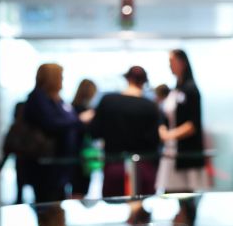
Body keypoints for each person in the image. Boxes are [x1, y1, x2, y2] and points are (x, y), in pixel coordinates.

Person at [89, 66, 161, 197]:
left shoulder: (108, 101)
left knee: (114, 209)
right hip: (143, 168)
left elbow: (95, 132)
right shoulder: (150, 106)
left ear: (127, 79)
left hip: (114, 166)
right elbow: (155, 140)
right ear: (144, 82)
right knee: (141, 211)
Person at [23, 63, 82, 203]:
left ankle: (56, 225)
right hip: (46, 163)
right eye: (60, 77)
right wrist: (79, 120)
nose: (62, 80)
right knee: (48, 203)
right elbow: (51, 124)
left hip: (59, 162)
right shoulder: (38, 98)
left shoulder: (56, 99)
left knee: (58, 202)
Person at [156, 49, 206, 192]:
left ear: (182, 63)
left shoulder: (191, 90)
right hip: (171, 150)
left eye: (172, 62)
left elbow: (193, 124)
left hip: (186, 152)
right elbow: (165, 118)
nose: (170, 66)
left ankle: (186, 214)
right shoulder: (175, 90)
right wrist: (163, 130)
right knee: (171, 191)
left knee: (186, 193)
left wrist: (170, 135)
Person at [70, 79, 97, 198]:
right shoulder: (81, 111)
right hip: (80, 154)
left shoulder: (71, 108)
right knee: (79, 188)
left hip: (78, 153)